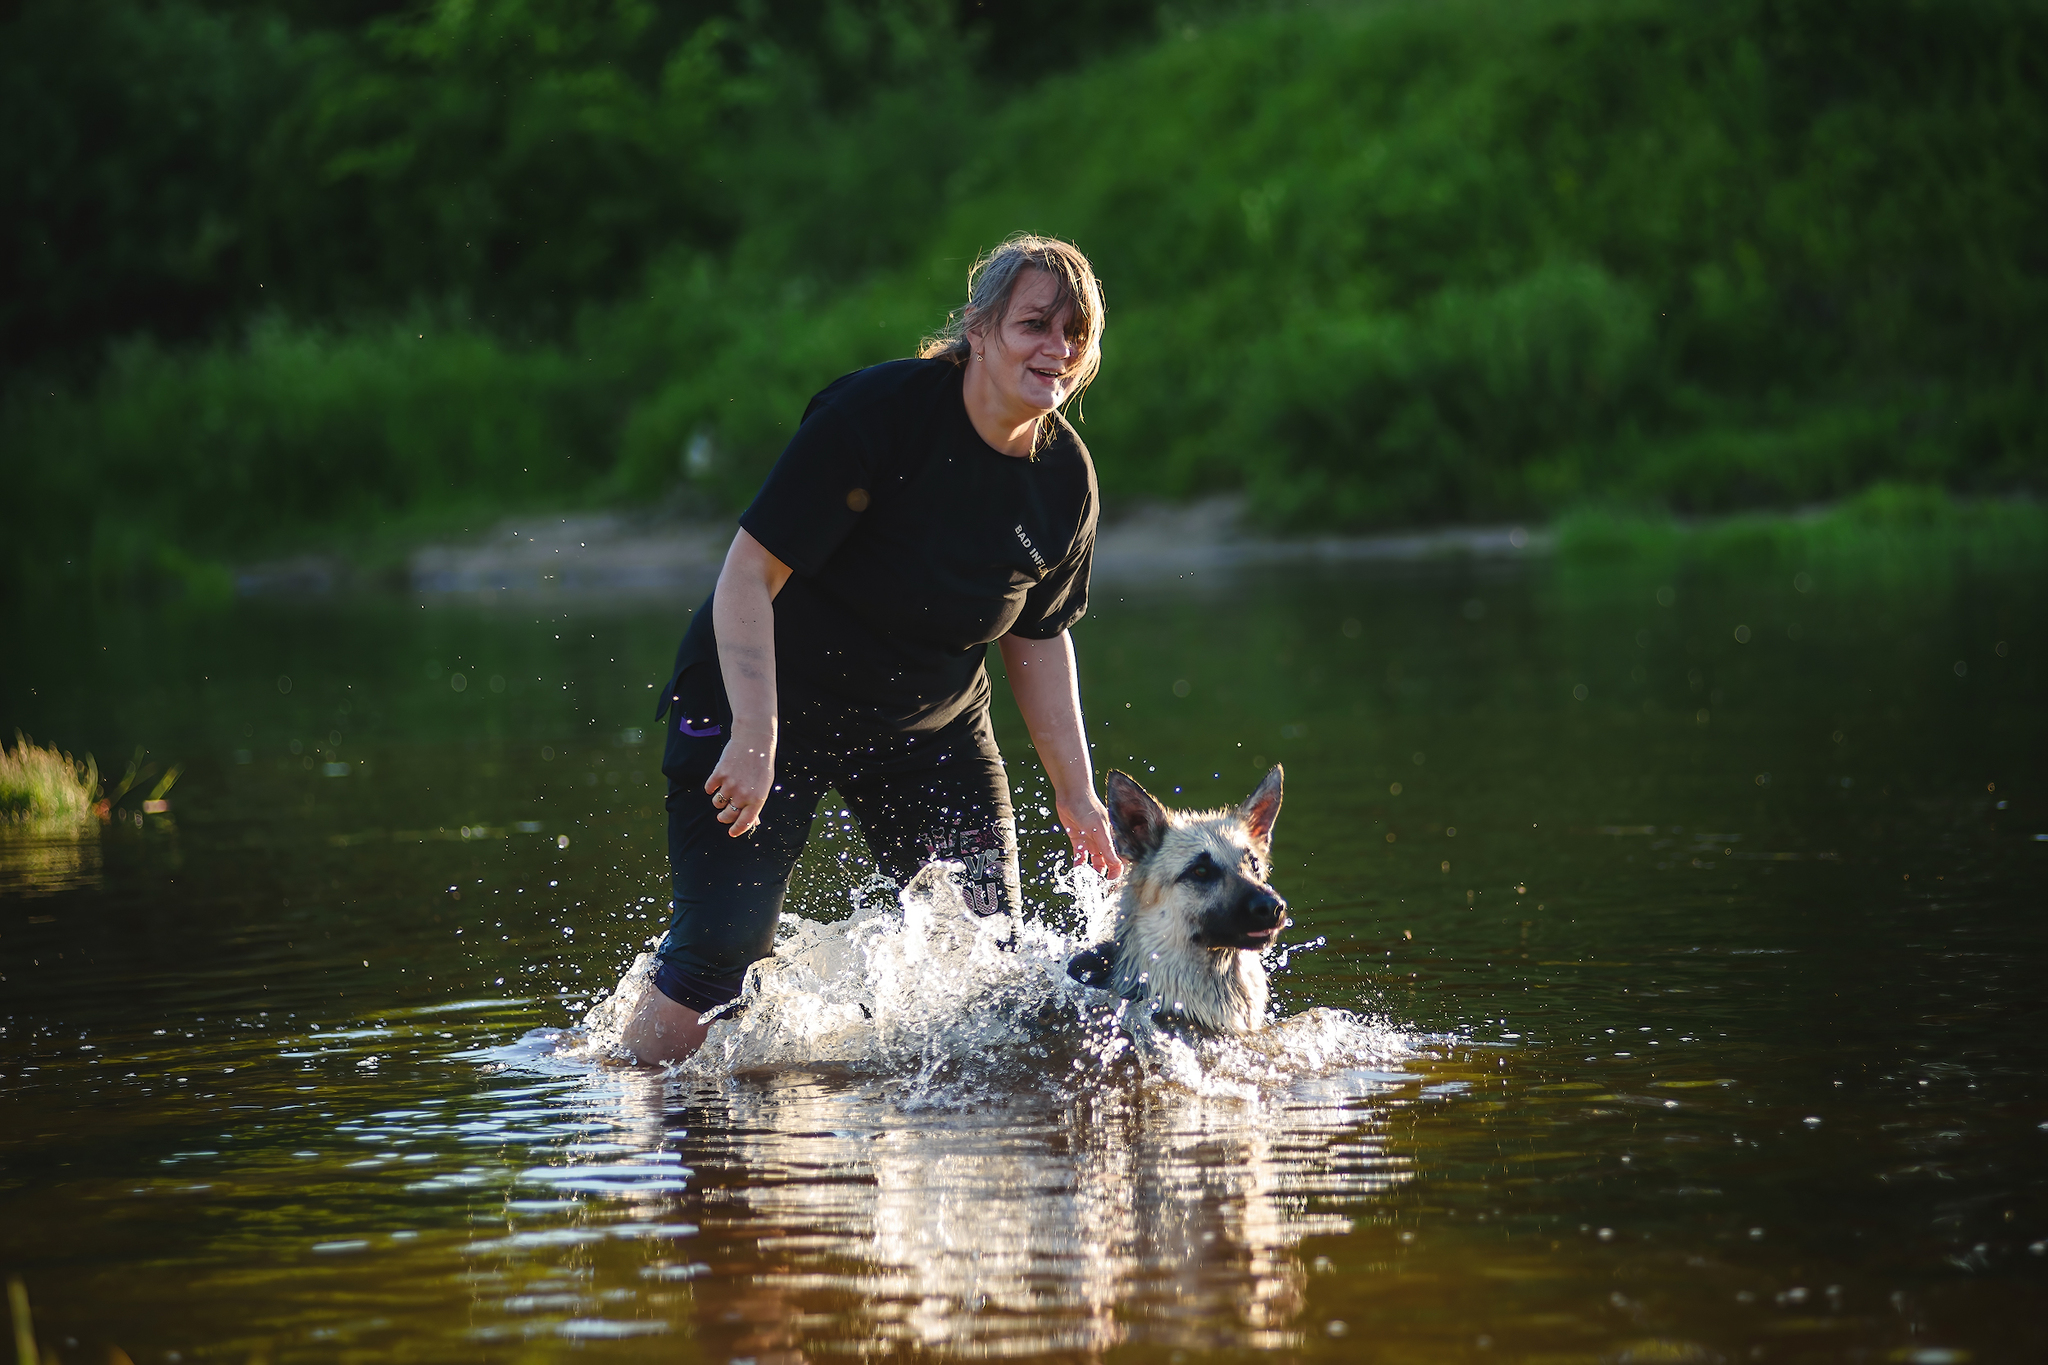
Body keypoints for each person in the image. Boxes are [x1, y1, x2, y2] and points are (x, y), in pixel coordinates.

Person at [619, 234, 1127, 1064]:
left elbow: (1039, 634)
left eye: (1077, 333)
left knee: (985, 963)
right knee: (719, 957)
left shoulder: (1064, 478)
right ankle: (632, 1117)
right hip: (760, 702)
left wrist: (1077, 793)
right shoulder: (876, 416)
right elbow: (745, 574)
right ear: (981, 327)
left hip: (926, 731)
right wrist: (755, 733)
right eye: (1036, 324)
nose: (1058, 350)